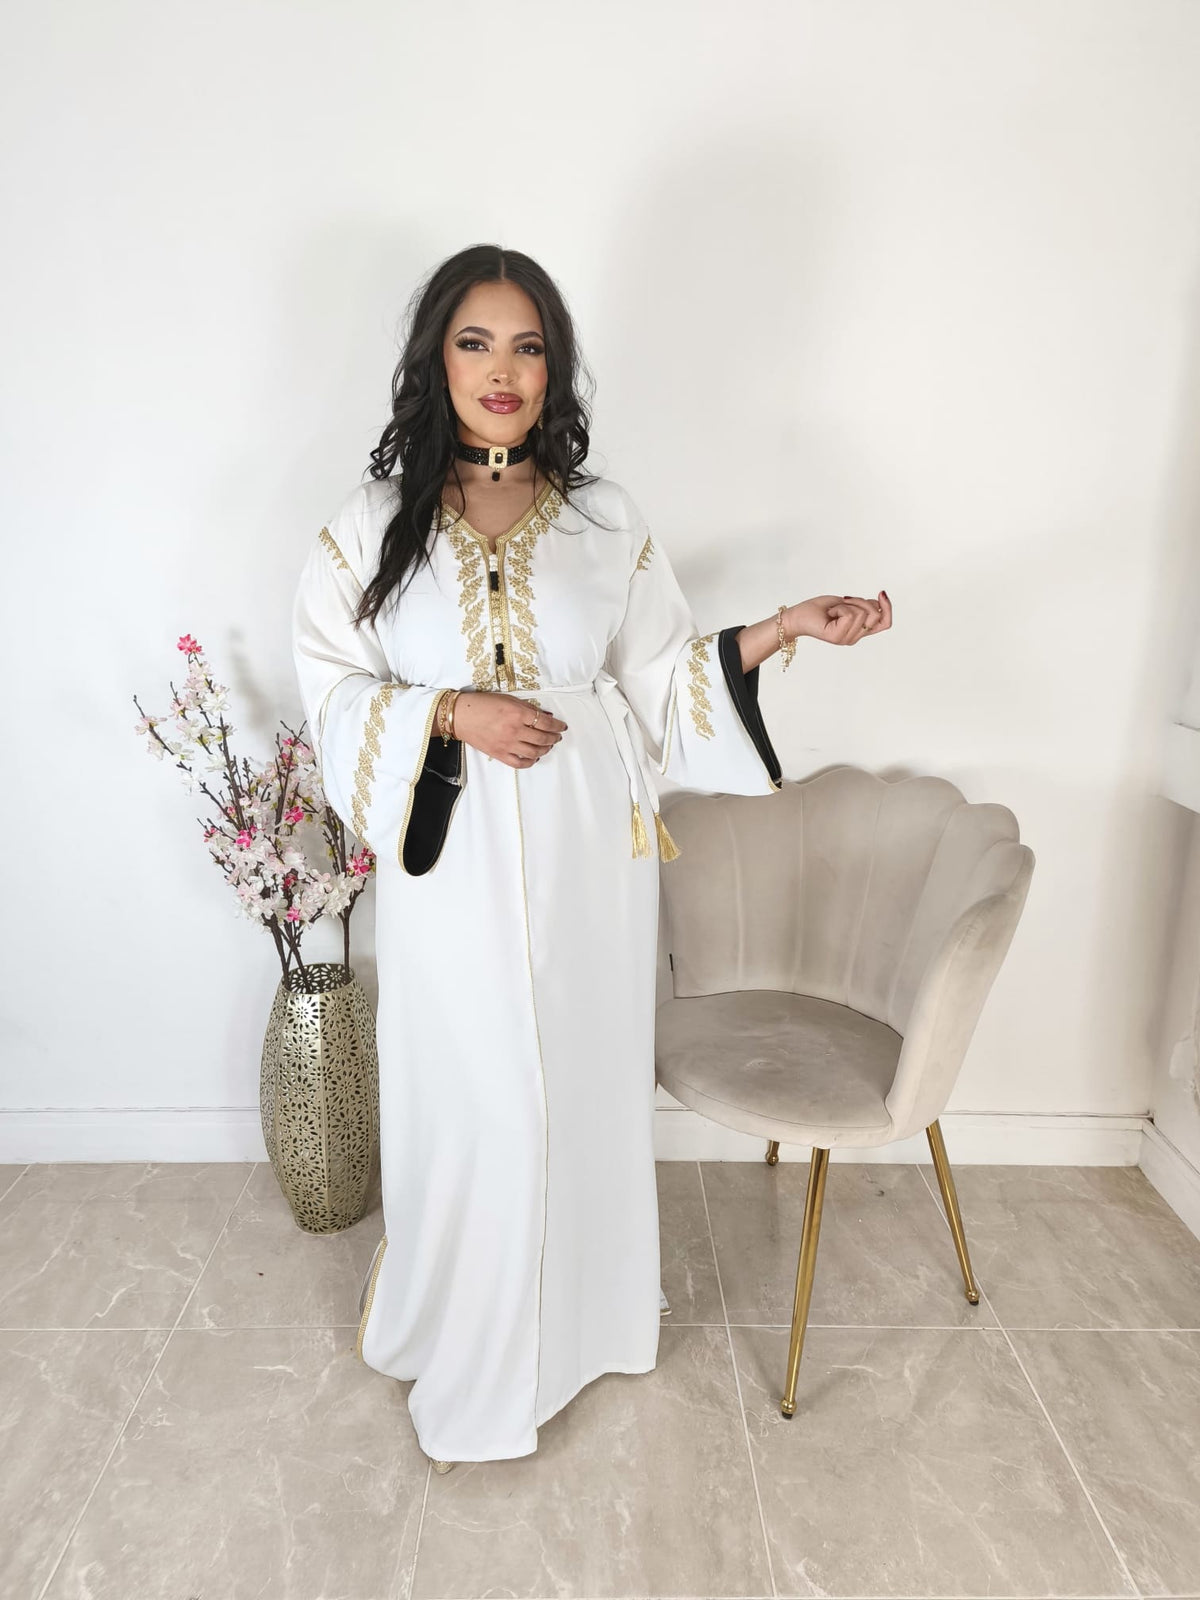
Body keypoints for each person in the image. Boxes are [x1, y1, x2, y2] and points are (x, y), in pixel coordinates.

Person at [290, 243, 891, 1471]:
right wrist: (453, 713)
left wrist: (782, 627)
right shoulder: (370, 528)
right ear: (435, 358)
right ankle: (470, 1342)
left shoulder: (604, 519)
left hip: (588, 850)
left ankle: (585, 1325)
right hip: (450, 854)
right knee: (479, 1089)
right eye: (475, 342)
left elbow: (659, 679)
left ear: (553, 366)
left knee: (576, 1079)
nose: (502, 371)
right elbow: (329, 688)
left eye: (527, 346)